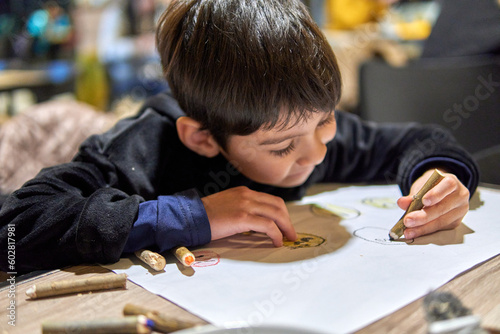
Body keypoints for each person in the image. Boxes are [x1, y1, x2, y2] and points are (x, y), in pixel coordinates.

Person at [0, 0, 478, 273]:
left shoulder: (301, 129)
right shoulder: (142, 151)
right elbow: (13, 227)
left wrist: (438, 178)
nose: (316, 152)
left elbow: (418, 139)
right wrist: (188, 216)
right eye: (281, 147)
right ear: (204, 139)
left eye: (327, 120)